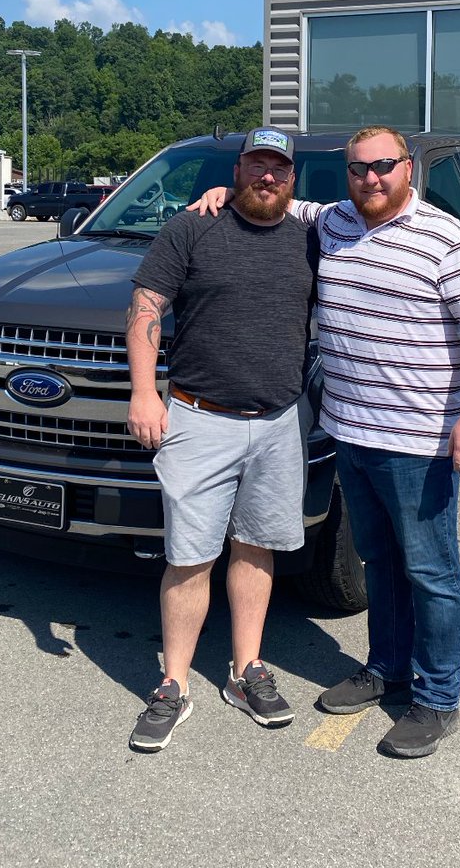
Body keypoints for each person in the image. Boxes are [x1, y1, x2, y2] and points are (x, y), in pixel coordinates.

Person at [194, 124, 460, 758]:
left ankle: (437, 697)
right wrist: (223, 193)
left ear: (408, 168)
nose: (371, 178)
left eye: (383, 166)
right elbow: (278, 199)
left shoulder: (446, 239)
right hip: (350, 431)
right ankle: (386, 668)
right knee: (380, 562)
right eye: (359, 169)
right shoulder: (334, 221)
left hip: (419, 439)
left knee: (431, 572)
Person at [125, 127, 318, 752]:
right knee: (190, 555)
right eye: (256, 165)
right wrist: (144, 391)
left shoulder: (312, 235)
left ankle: (246, 670)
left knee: (258, 548)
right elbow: (146, 307)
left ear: (292, 178)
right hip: (199, 418)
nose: (267, 176)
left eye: (278, 168)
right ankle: (174, 684)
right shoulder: (192, 227)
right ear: (237, 170)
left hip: (280, 421)